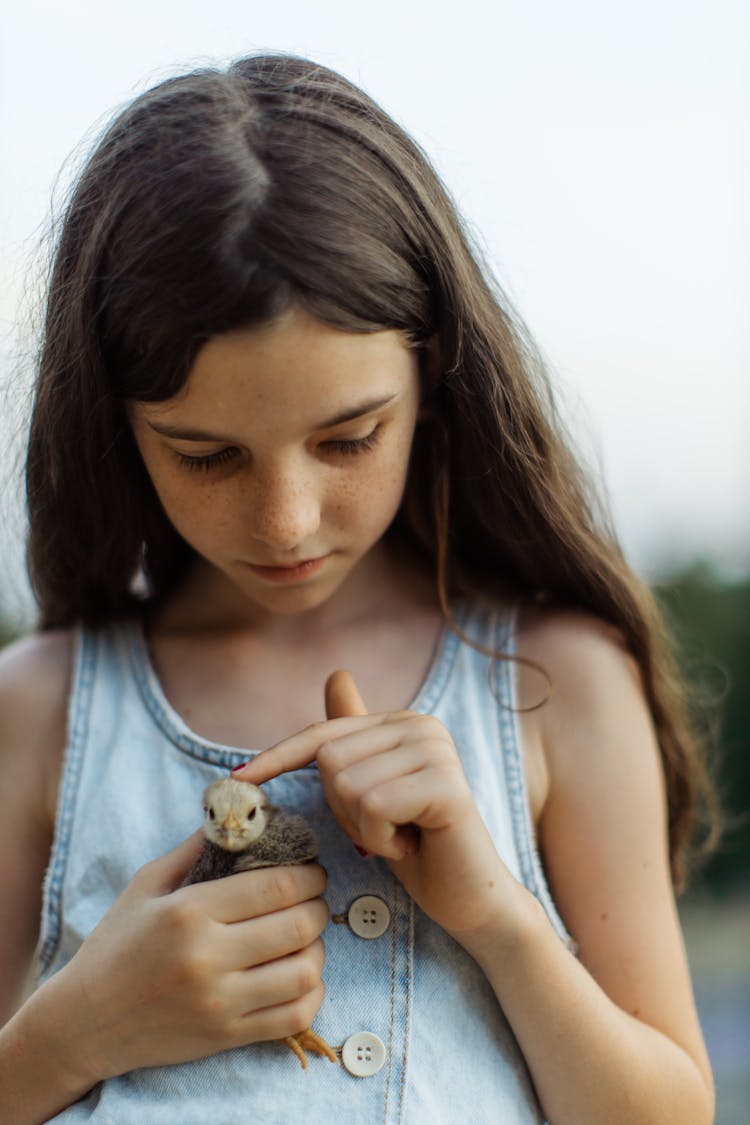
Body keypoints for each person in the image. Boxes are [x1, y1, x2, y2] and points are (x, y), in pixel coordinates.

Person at [0, 53, 716, 1124]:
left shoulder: (555, 681)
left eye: (348, 438)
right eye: (207, 455)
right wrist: (81, 1028)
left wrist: (497, 917)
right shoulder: (41, 705)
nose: (285, 519)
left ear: (434, 377)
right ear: (115, 425)